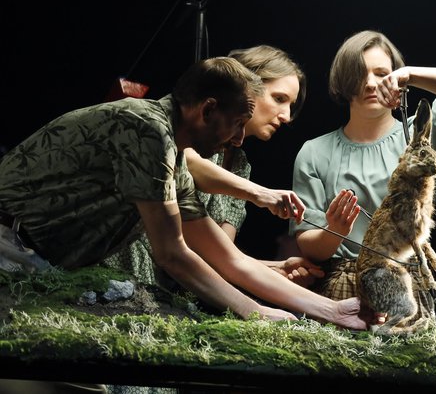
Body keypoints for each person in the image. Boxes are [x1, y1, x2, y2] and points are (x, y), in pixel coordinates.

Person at [0, 56, 372, 331]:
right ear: (208, 110)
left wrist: (330, 310)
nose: (239, 138)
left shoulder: (173, 159)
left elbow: (227, 259)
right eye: (237, 125)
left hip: (34, 262)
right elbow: (173, 254)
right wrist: (254, 312)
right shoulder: (146, 129)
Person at [290, 30, 436, 325]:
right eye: (358, 74)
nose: (370, 83)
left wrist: (409, 75)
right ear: (344, 81)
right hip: (341, 292)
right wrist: (334, 230)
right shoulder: (315, 152)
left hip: (405, 282)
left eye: (381, 73)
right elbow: (308, 244)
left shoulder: (417, 141)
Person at [103, 45, 323, 289]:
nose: (286, 115)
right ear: (246, 84)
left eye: (291, 105)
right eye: (279, 99)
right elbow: (187, 161)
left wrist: (275, 267)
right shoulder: (194, 136)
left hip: (173, 284)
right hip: (122, 265)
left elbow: (221, 257)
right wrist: (261, 193)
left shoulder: (240, 167)